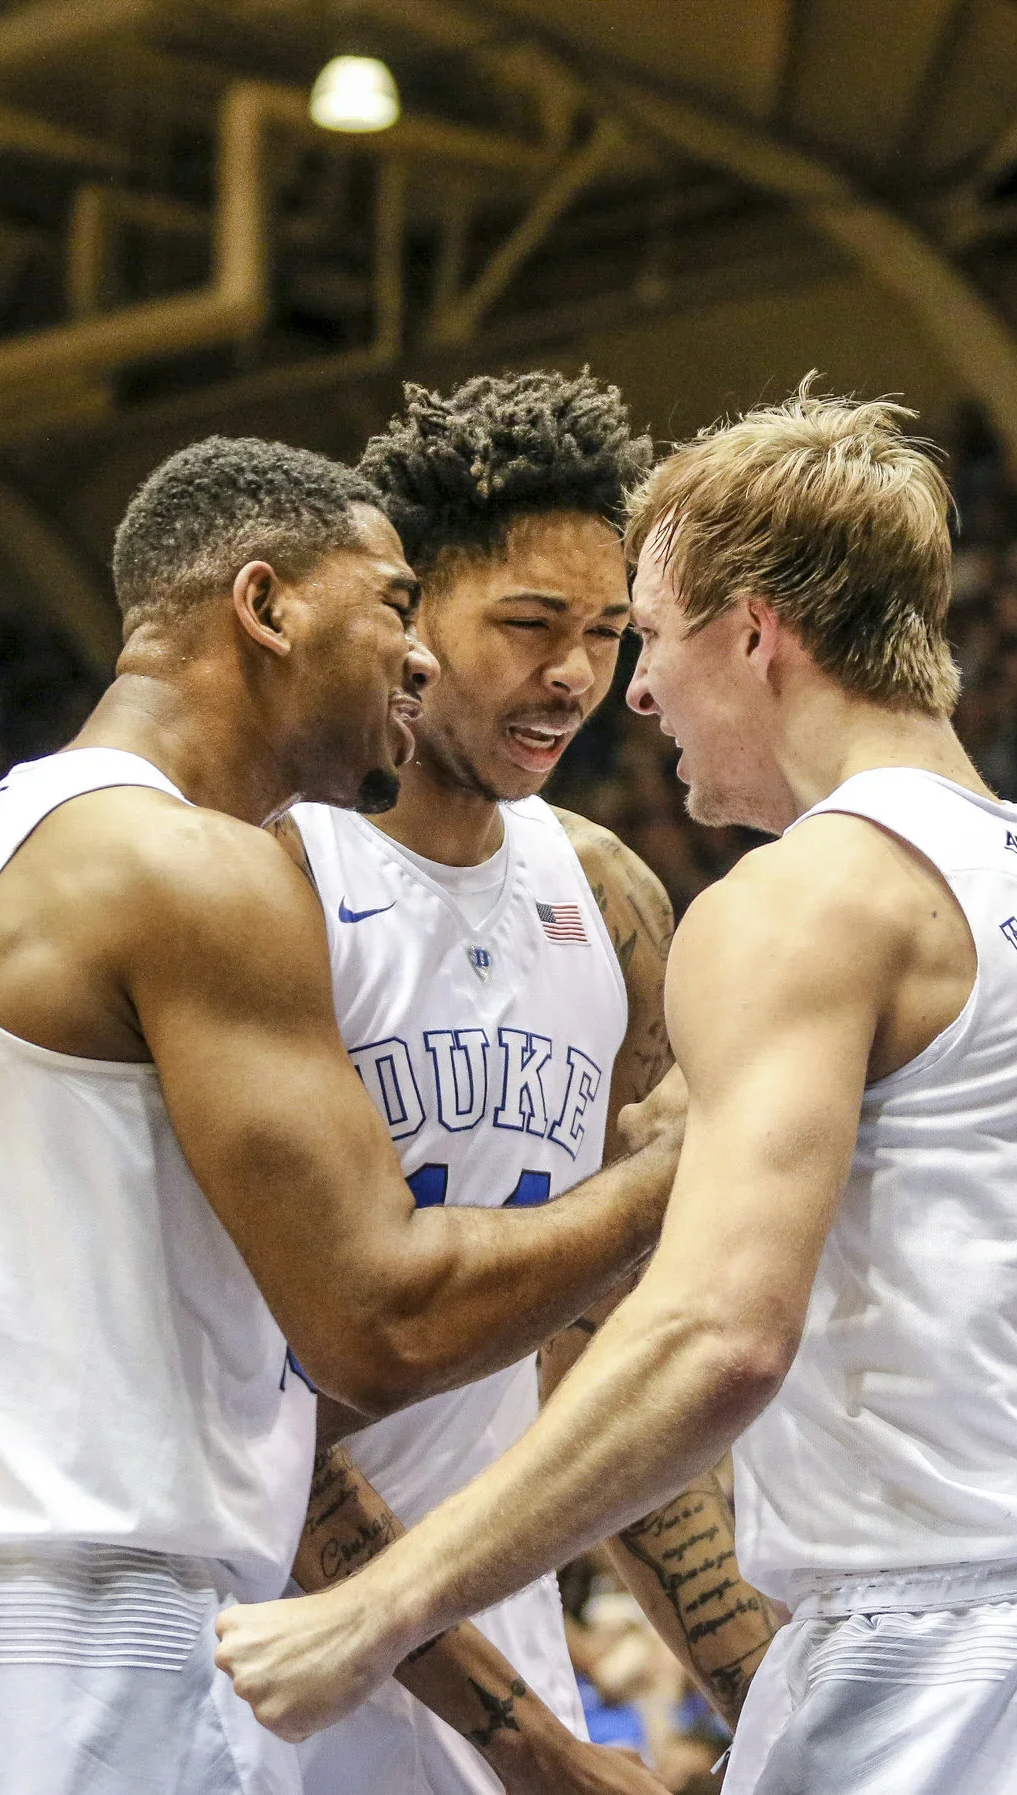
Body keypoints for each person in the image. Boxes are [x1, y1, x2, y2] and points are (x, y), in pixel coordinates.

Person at [217, 391, 1017, 1792]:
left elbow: (713, 1335)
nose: (627, 689)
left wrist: (371, 1610)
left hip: (947, 1640)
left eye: (645, 631)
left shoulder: (804, 895)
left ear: (756, 632)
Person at [0, 437, 685, 1795]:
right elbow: (383, 1323)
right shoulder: (191, 863)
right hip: (65, 1624)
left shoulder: (12, 838)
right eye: (390, 606)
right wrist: (685, 1166)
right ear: (265, 609)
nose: (417, 658)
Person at [283, 373, 773, 1794]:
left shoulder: (610, 896)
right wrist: (530, 1740)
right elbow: (265, 1394)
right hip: (265, 1649)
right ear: (409, 613)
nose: (575, 674)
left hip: (491, 1628)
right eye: (529, 625)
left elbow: (608, 1348)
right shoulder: (276, 876)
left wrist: (772, 1687)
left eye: (608, 633)